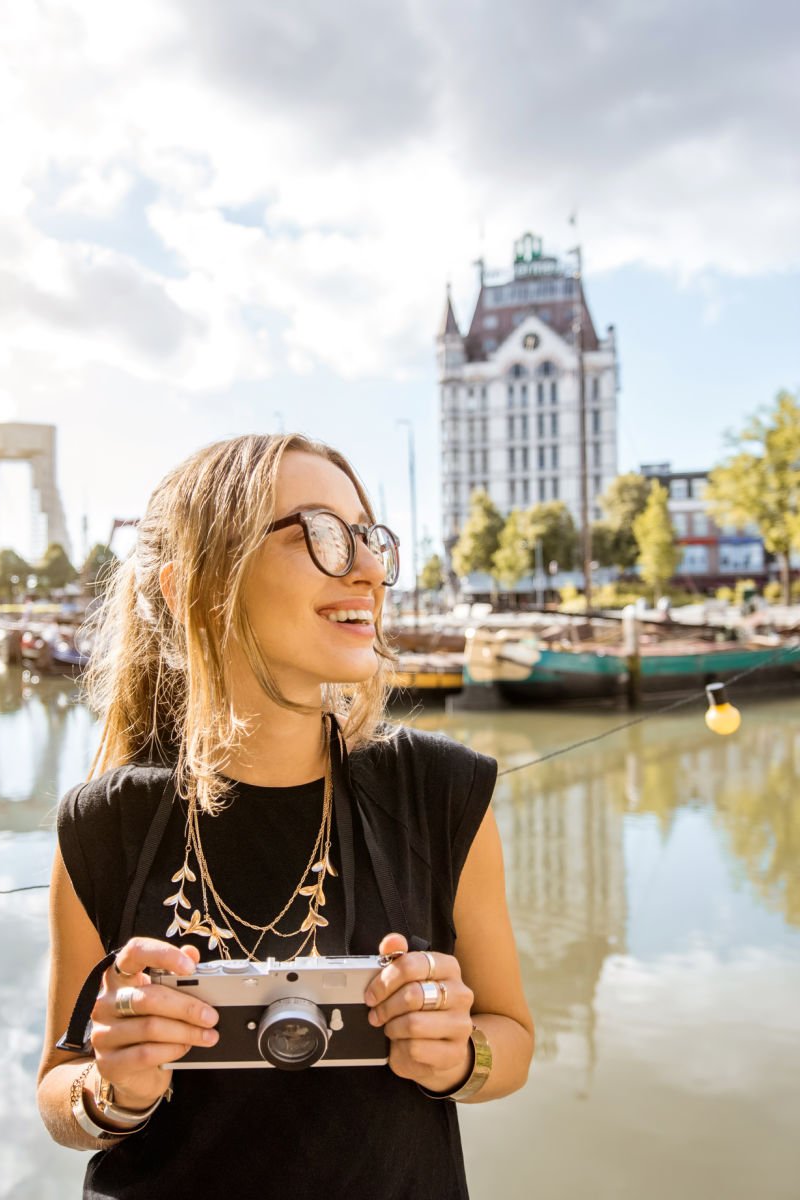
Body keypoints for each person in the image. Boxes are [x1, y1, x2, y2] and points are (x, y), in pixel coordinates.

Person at [37, 434, 534, 1198]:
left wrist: (463, 1056)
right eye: (325, 537)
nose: (369, 571)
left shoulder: (442, 791)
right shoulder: (105, 822)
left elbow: (514, 1041)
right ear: (193, 588)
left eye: (370, 539)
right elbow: (60, 1091)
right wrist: (112, 1089)